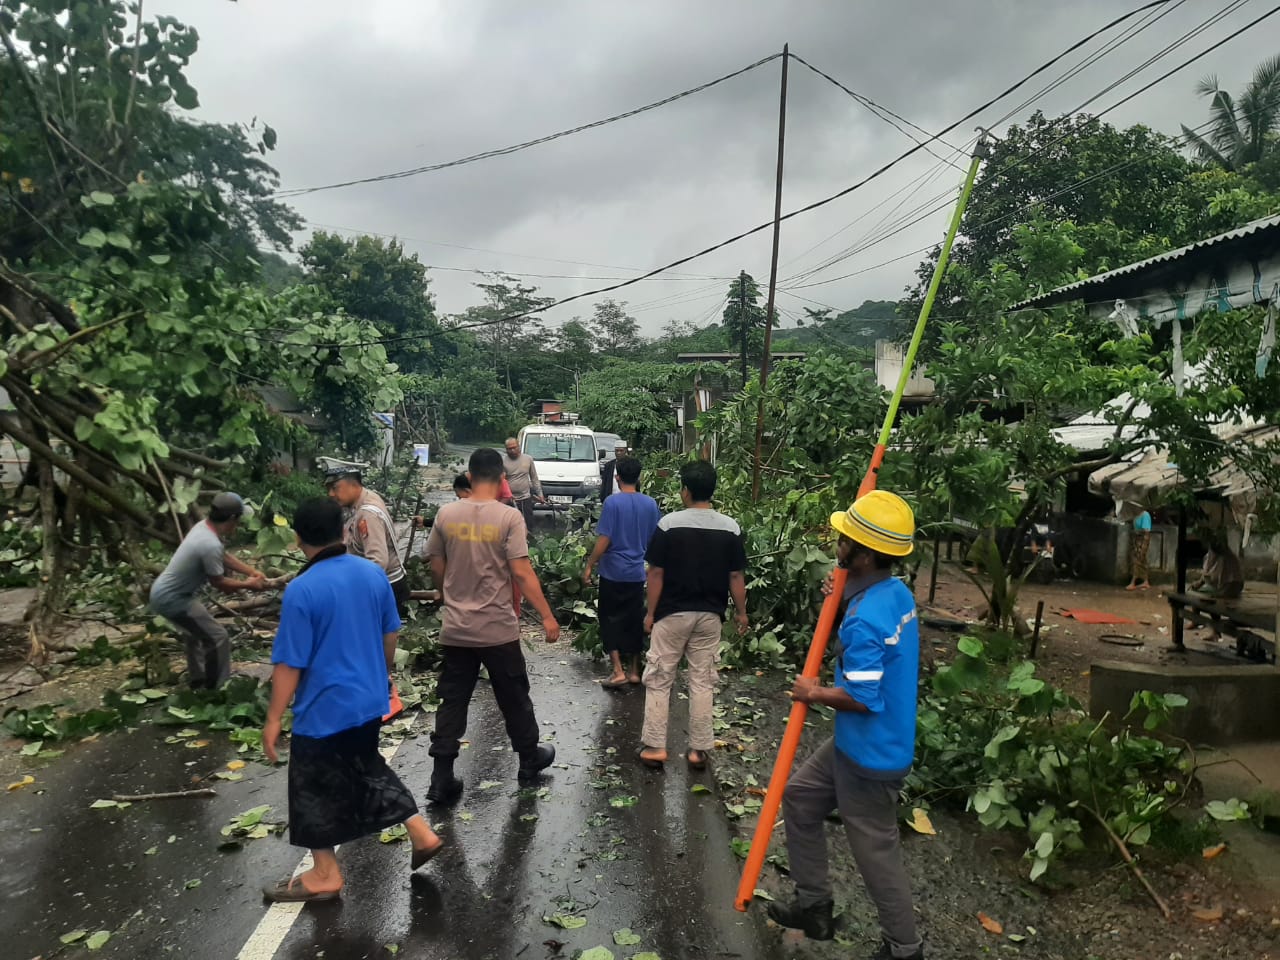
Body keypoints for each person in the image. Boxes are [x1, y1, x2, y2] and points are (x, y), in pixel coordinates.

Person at [767, 490, 923, 960]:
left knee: (876, 854)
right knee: (798, 799)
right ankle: (814, 906)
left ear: (866, 554)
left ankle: (904, 948)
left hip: (871, 757)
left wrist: (811, 692)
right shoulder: (891, 592)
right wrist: (837, 605)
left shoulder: (868, 618)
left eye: (844, 540)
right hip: (852, 746)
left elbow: (862, 695)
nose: (836, 544)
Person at [261, 498, 442, 903]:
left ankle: (325, 873)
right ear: (344, 532)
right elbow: (390, 633)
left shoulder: (302, 590)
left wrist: (274, 718)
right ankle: (422, 832)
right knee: (366, 768)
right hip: (367, 700)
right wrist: (383, 678)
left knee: (310, 789)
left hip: (324, 709)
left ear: (297, 540)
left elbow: (289, 663)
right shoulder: (372, 575)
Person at [423, 447, 561, 804]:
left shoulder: (446, 514)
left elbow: (436, 563)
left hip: (456, 629)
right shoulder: (509, 517)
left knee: (452, 699)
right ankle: (529, 759)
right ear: (502, 478)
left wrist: (444, 594)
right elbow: (520, 571)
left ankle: (442, 777)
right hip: (497, 628)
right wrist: (547, 615)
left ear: (469, 477)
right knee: (514, 696)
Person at [638, 460, 747, 770]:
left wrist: (650, 612)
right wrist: (741, 614)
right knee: (702, 681)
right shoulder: (731, 527)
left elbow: (656, 572)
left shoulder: (669, 525)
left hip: (672, 614)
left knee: (660, 678)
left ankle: (656, 747)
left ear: (685, 490)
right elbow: (736, 577)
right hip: (710, 616)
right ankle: (699, 750)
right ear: (712, 490)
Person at [149, 492, 271, 690]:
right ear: (232, 518)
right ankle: (215, 689)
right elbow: (220, 583)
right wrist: (249, 584)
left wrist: (252, 571)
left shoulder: (204, 528)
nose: (238, 524)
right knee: (218, 637)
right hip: (171, 599)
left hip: (168, 593)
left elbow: (224, 557)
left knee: (195, 633)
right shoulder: (209, 543)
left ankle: (198, 680)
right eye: (238, 519)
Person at [583, 456, 661, 688]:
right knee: (634, 619)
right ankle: (635, 670)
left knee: (609, 619)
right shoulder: (650, 504)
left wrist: (590, 564)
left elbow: (604, 538)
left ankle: (617, 670)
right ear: (640, 478)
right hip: (637, 573)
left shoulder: (612, 503)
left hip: (612, 572)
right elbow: (654, 539)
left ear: (617, 477)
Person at [326, 467, 409, 615]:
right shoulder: (364, 498)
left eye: (335, 488)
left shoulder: (368, 515)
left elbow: (378, 562)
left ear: (353, 484)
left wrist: (356, 593)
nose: (331, 494)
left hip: (384, 588)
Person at [1191, 529, 1244, 599]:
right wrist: (1199, 583)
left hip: (1231, 589)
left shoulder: (1229, 558)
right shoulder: (1210, 555)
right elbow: (1207, 573)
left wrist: (1221, 594)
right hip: (1218, 589)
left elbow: (1235, 582)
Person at [503, 437, 545, 526]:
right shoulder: (503, 461)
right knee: (510, 525)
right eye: (509, 449)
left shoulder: (528, 459)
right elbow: (500, 481)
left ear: (519, 446)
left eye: (514, 447)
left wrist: (540, 495)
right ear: (506, 450)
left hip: (525, 498)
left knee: (527, 525)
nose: (512, 450)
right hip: (509, 500)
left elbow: (534, 478)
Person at [1126, 507, 1153, 591]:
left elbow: (1146, 531)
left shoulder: (1145, 515)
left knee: (1137, 559)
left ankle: (1133, 582)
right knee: (1142, 560)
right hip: (1136, 538)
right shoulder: (1135, 515)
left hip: (1143, 538)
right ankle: (1145, 581)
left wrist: (1143, 545)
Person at [599, 440, 630, 505]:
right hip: (611, 499)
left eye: (621, 451)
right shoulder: (609, 465)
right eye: (617, 450)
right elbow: (604, 484)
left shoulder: (631, 465)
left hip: (627, 500)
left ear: (626, 451)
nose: (618, 453)